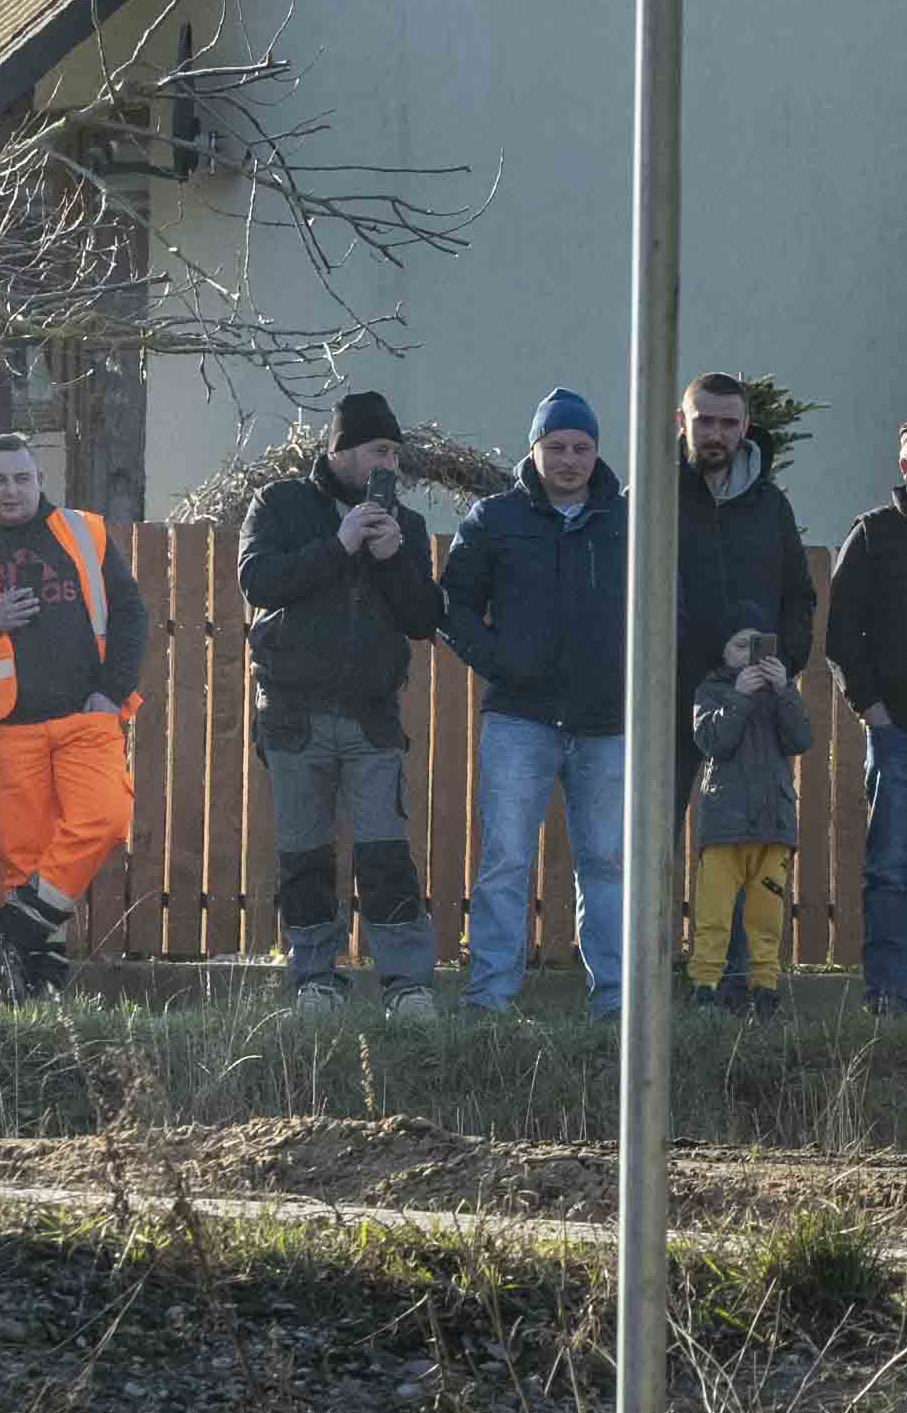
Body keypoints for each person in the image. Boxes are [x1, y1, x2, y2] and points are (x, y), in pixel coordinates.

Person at [0, 427, 145, 997]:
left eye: (22, 478)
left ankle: (12, 926)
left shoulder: (84, 532)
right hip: (4, 725)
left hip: (87, 715)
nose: (11, 491)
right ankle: (33, 992)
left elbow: (131, 615)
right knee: (23, 858)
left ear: (41, 481)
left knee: (107, 818)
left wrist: (110, 693)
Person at [241, 388, 447, 1006]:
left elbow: (422, 617)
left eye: (395, 451)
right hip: (293, 716)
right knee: (304, 854)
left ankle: (407, 985)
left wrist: (390, 557)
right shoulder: (280, 504)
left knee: (386, 855)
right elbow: (258, 580)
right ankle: (314, 980)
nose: (390, 462)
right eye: (380, 449)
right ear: (344, 449)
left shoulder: (404, 524)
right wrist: (339, 544)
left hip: (370, 720)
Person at [443, 386, 632, 1018]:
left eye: (581, 447)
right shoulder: (495, 519)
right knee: (504, 861)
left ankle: (615, 1003)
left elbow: (666, 606)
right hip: (519, 719)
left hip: (607, 722)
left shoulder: (628, 522)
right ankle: (489, 999)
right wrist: (501, 662)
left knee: (607, 864)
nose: (570, 459)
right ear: (535, 449)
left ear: (597, 452)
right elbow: (454, 606)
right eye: (556, 447)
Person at [820, 413, 907, 1017]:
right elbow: (843, 635)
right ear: (906, 466)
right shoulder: (873, 535)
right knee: (893, 869)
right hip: (899, 728)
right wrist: (872, 711)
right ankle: (887, 995)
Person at [681, 624, 810, 1013]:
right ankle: (703, 987)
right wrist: (738, 697)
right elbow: (712, 742)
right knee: (713, 915)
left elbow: (800, 739)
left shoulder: (781, 693)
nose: (750, 654)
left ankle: (764, 990)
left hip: (773, 827)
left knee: (766, 917)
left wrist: (785, 690)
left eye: (759, 646)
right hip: (724, 824)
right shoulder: (710, 690)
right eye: (741, 645)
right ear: (724, 652)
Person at [669, 373, 816, 683]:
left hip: (755, 694)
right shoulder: (651, 501)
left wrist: (785, 661)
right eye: (704, 421)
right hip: (669, 695)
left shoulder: (771, 506)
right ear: (681, 421)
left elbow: (798, 595)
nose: (716, 434)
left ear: (745, 426)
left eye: (729, 423)